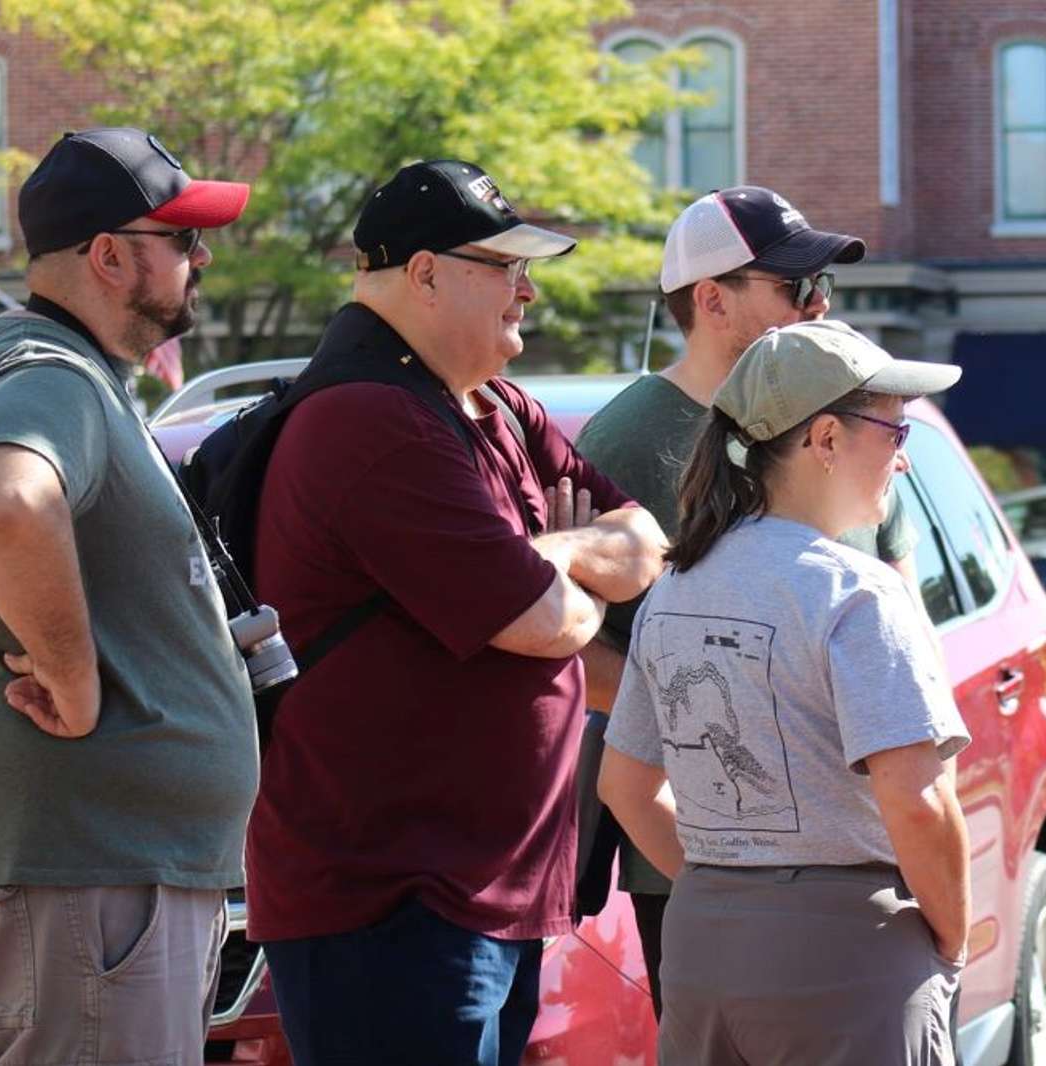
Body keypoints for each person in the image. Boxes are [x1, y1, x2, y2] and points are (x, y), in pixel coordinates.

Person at [242, 160, 667, 1066]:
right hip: (397, 907)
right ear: (424, 272)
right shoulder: (369, 420)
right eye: (504, 266)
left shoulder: (499, 407)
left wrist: (558, 558)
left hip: (479, 897)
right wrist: (563, 569)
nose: (530, 289)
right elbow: (549, 623)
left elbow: (643, 541)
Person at [0, 127, 256, 1064]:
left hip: (98, 883)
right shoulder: (49, 372)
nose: (203, 257)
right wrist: (74, 682)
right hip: (88, 885)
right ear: (108, 256)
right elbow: (9, 501)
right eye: (182, 238)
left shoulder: (62, 374)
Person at [570, 185, 917, 1014]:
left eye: (824, 284)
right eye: (797, 287)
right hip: (701, 855)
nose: (821, 303)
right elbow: (574, 645)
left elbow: (907, 614)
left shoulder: (852, 419)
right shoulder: (619, 443)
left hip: (868, 845)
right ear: (712, 299)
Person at [600, 319, 969, 1065]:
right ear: (826, 439)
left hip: (704, 944)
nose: (903, 462)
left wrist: (736, 886)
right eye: (895, 435)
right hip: (847, 952)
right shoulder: (855, 590)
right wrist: (950, 938)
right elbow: (918, 801)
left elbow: (626, 786)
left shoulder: (676, 584)